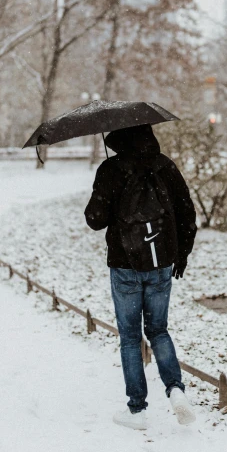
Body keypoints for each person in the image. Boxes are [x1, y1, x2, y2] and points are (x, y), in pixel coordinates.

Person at [84, 124, 198, 431]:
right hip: (161, 262)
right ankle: (176, 391)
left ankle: (137, 411)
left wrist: (107, 189)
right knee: (159, 330)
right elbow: (187, 213)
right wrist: (181, 254)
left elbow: (94, 220)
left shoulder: (112, 168)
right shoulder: (165, 166)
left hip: (125, 265)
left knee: (131, 338)